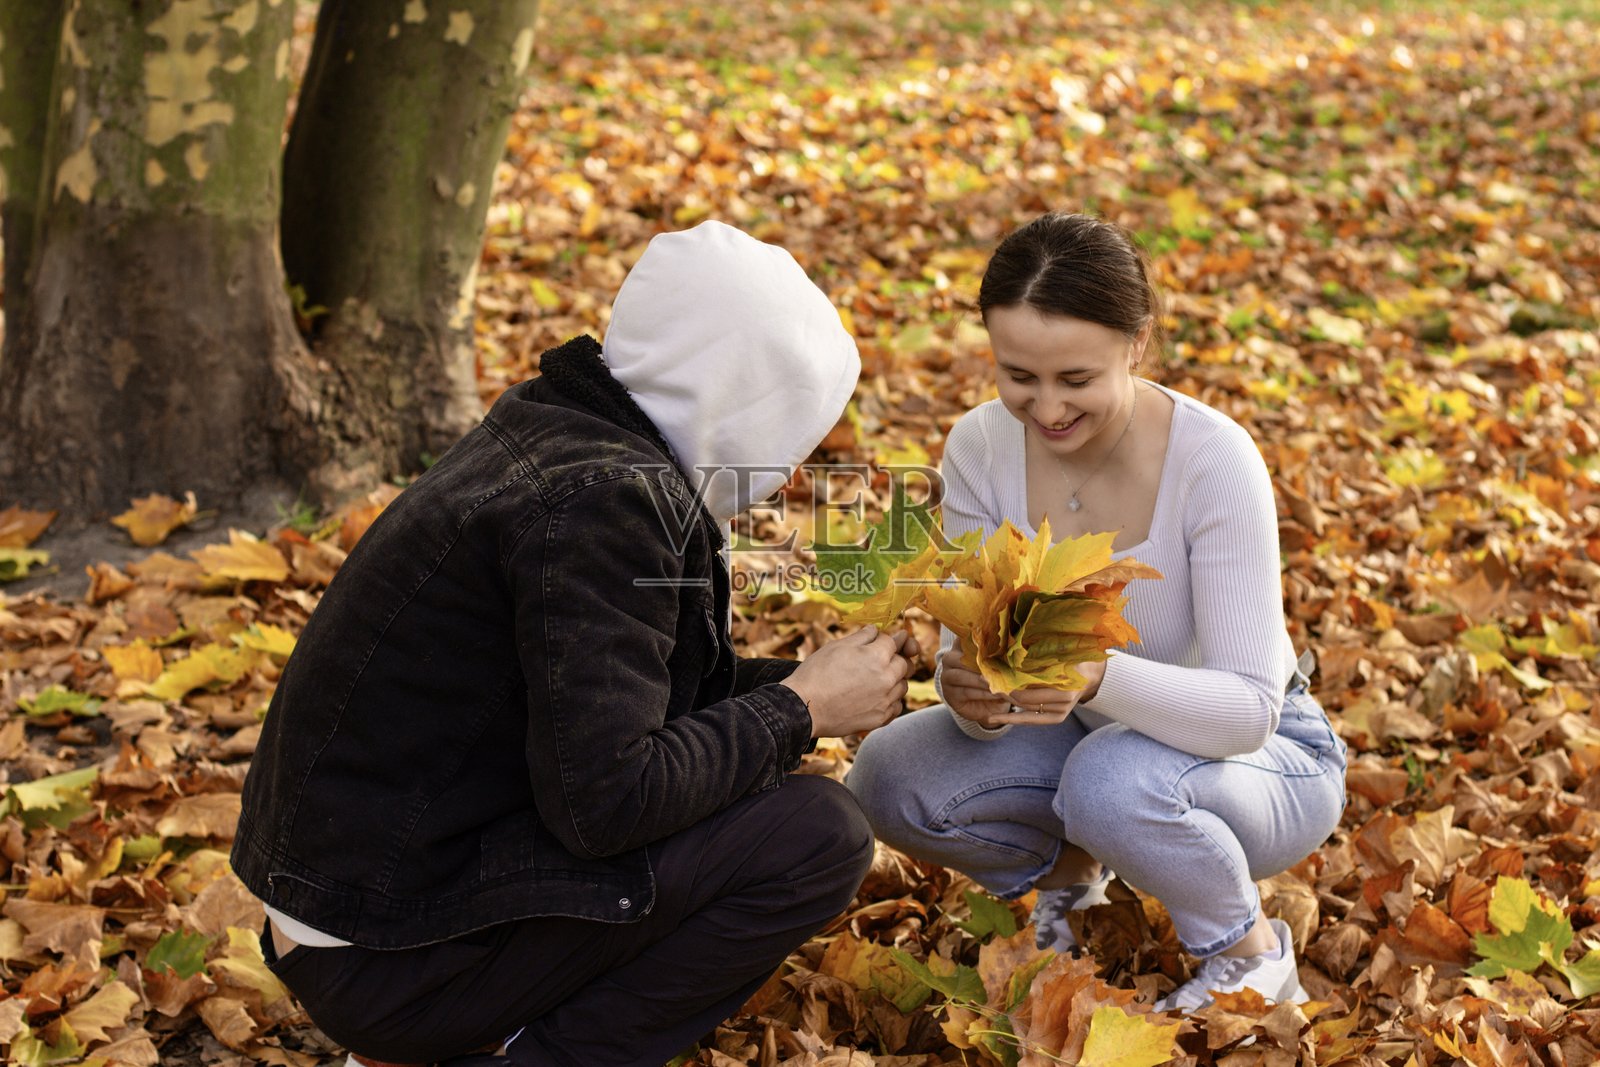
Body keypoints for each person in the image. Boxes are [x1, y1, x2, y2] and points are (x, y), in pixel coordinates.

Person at [232, 220, 919, 1067]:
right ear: (733, 401)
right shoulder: (605, 505)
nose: (786, 473)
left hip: (359, 907)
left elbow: (641, 696)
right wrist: (802, 706)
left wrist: (856, 685)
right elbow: (611, 801)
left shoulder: (566, 433)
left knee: (762, 783)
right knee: (816, 834)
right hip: (388, 955)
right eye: (789, 435)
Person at [845, 212, 1347, 1012]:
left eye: (1075, 379)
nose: (1045, 409)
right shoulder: (978, 447)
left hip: (1264, 759)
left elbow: (1249, 711)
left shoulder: (1213, 461)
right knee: (892, 775)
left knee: (1110, 777)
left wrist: (1094, 674)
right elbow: (974, 659)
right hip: (1076, 742)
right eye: (1018, 375)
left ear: (1137, 343)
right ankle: (1073, 883)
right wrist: (970, 692)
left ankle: (1249, 955)